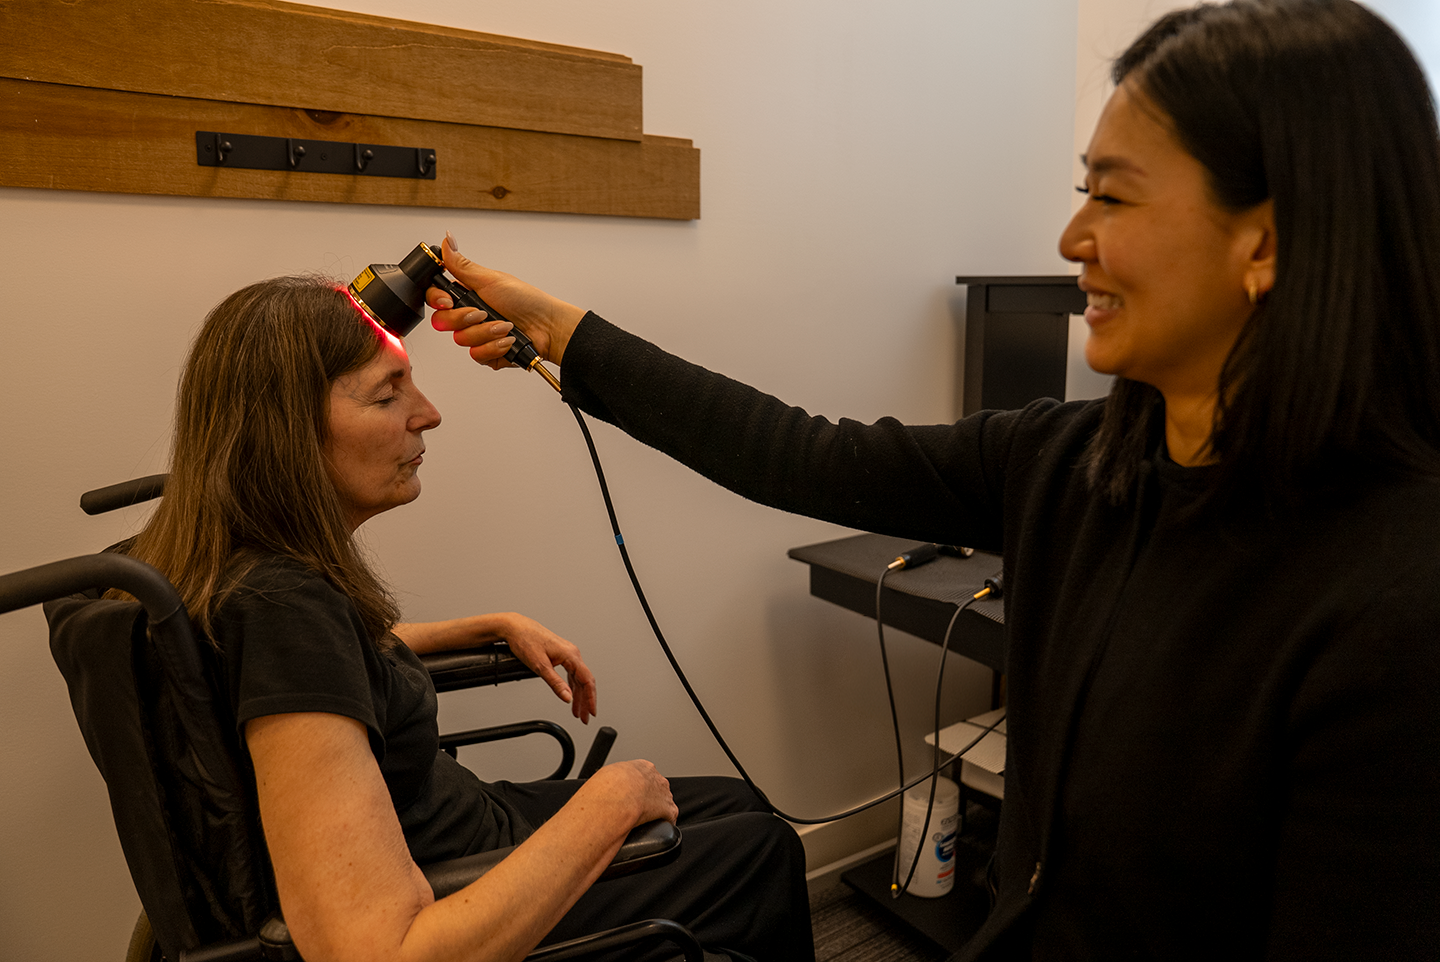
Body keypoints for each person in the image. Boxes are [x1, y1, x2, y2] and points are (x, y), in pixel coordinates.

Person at [428, 1, 1440, 959]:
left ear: (1266, 241)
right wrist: (561, 331)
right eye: (1082, 190)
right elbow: (799, 452)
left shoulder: (1395, 604)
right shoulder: (1070, 460)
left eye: (1114, 194)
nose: (1072, 240)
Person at [118, 275, 814, 962]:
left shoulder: (231, 571)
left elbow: (312, 671)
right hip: (463, 885)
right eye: (387, 394)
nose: (428, 414)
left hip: (469, 826)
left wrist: (480, 626)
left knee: (739, 803)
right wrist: (609, 806)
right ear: (285, 432)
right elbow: (376, 953)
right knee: (762, 849)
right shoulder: (283, 609)